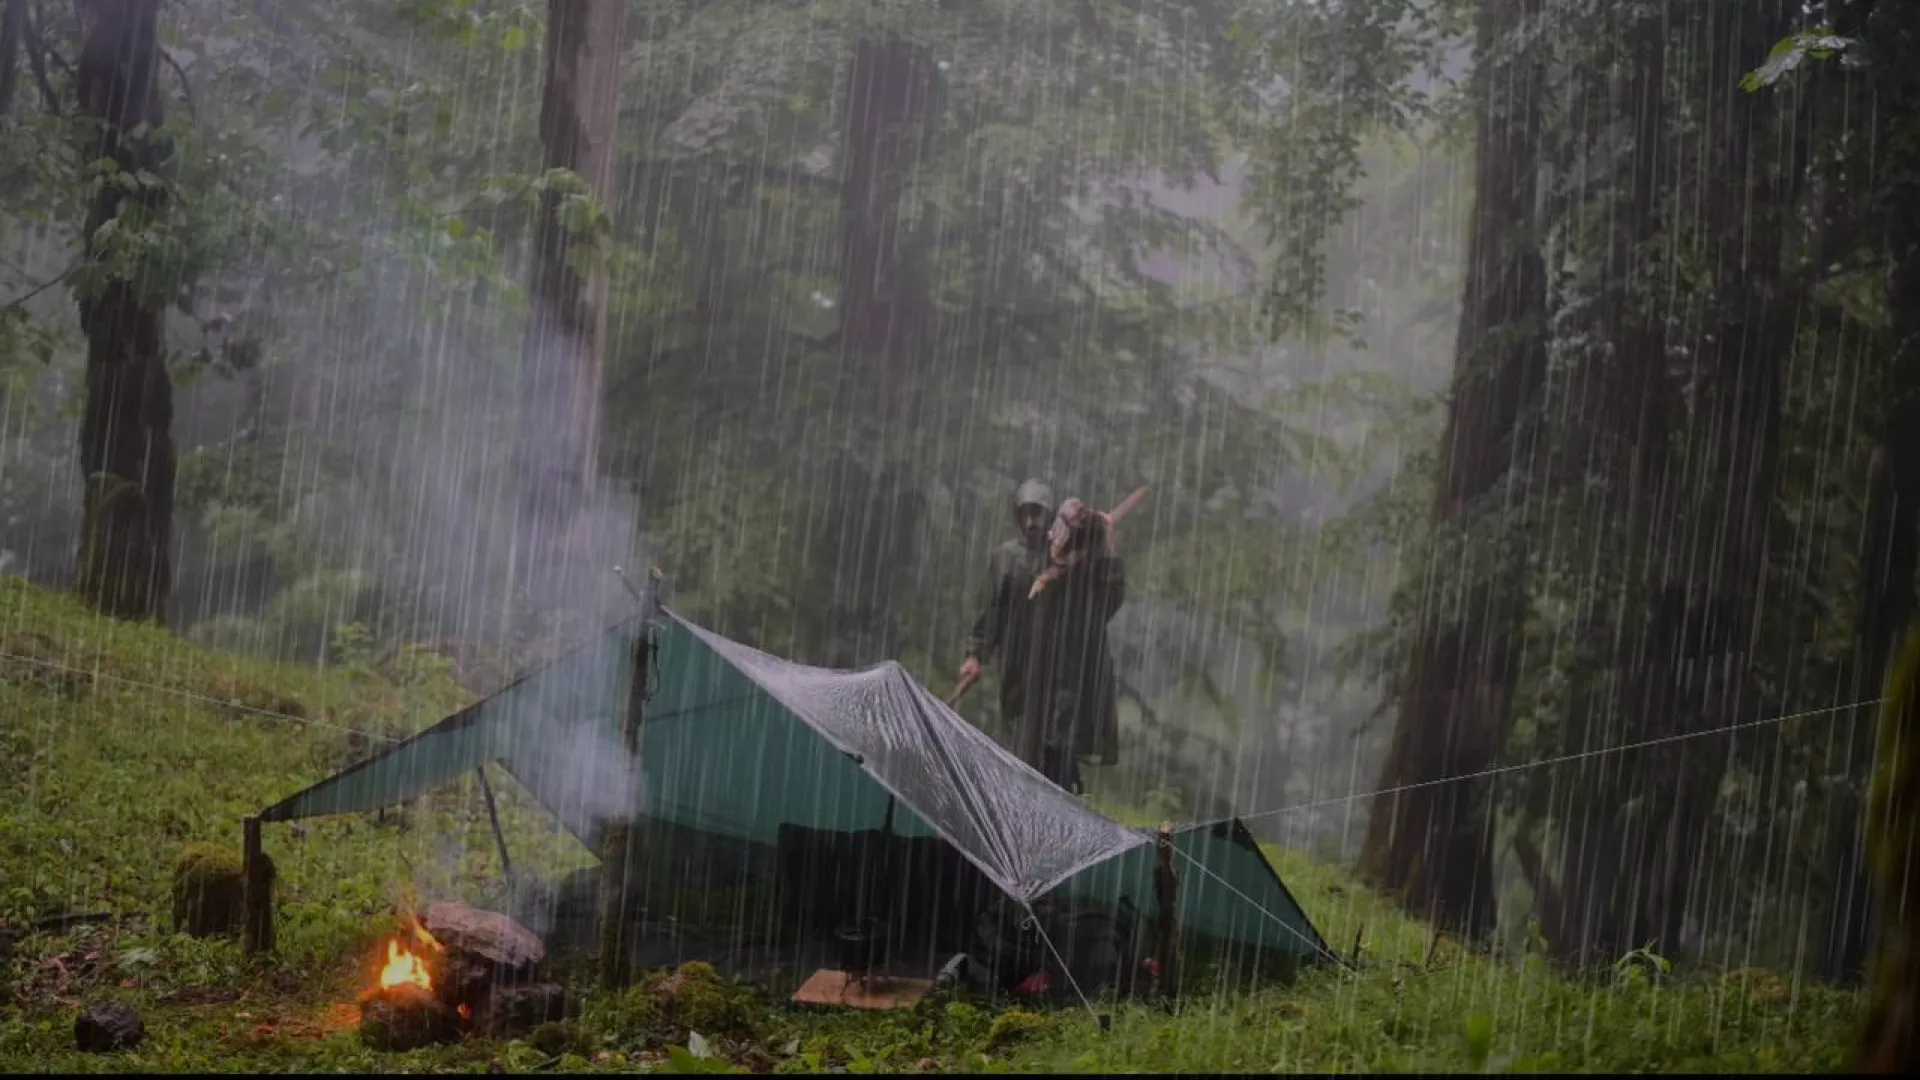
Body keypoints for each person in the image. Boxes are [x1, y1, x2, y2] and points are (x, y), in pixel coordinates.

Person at [1015, 497, 1125, 794]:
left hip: (1069, 679)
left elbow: (1111, 595)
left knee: (1058, 746)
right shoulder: (1047, 573)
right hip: (1046, 677)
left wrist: (1106, 541)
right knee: (1045, 748)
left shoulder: (1086, 582)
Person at [960, 479, 1056, 738]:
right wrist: (975, 654)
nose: (1030, 522)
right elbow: (992, 610)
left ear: (1049, 515)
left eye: (1036, 514)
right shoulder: (1006, 557)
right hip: (1017, 663)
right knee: (1017, 733)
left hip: (1057, 667)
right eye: (1025, 515)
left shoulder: (1064, 557)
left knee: (1055, 740)